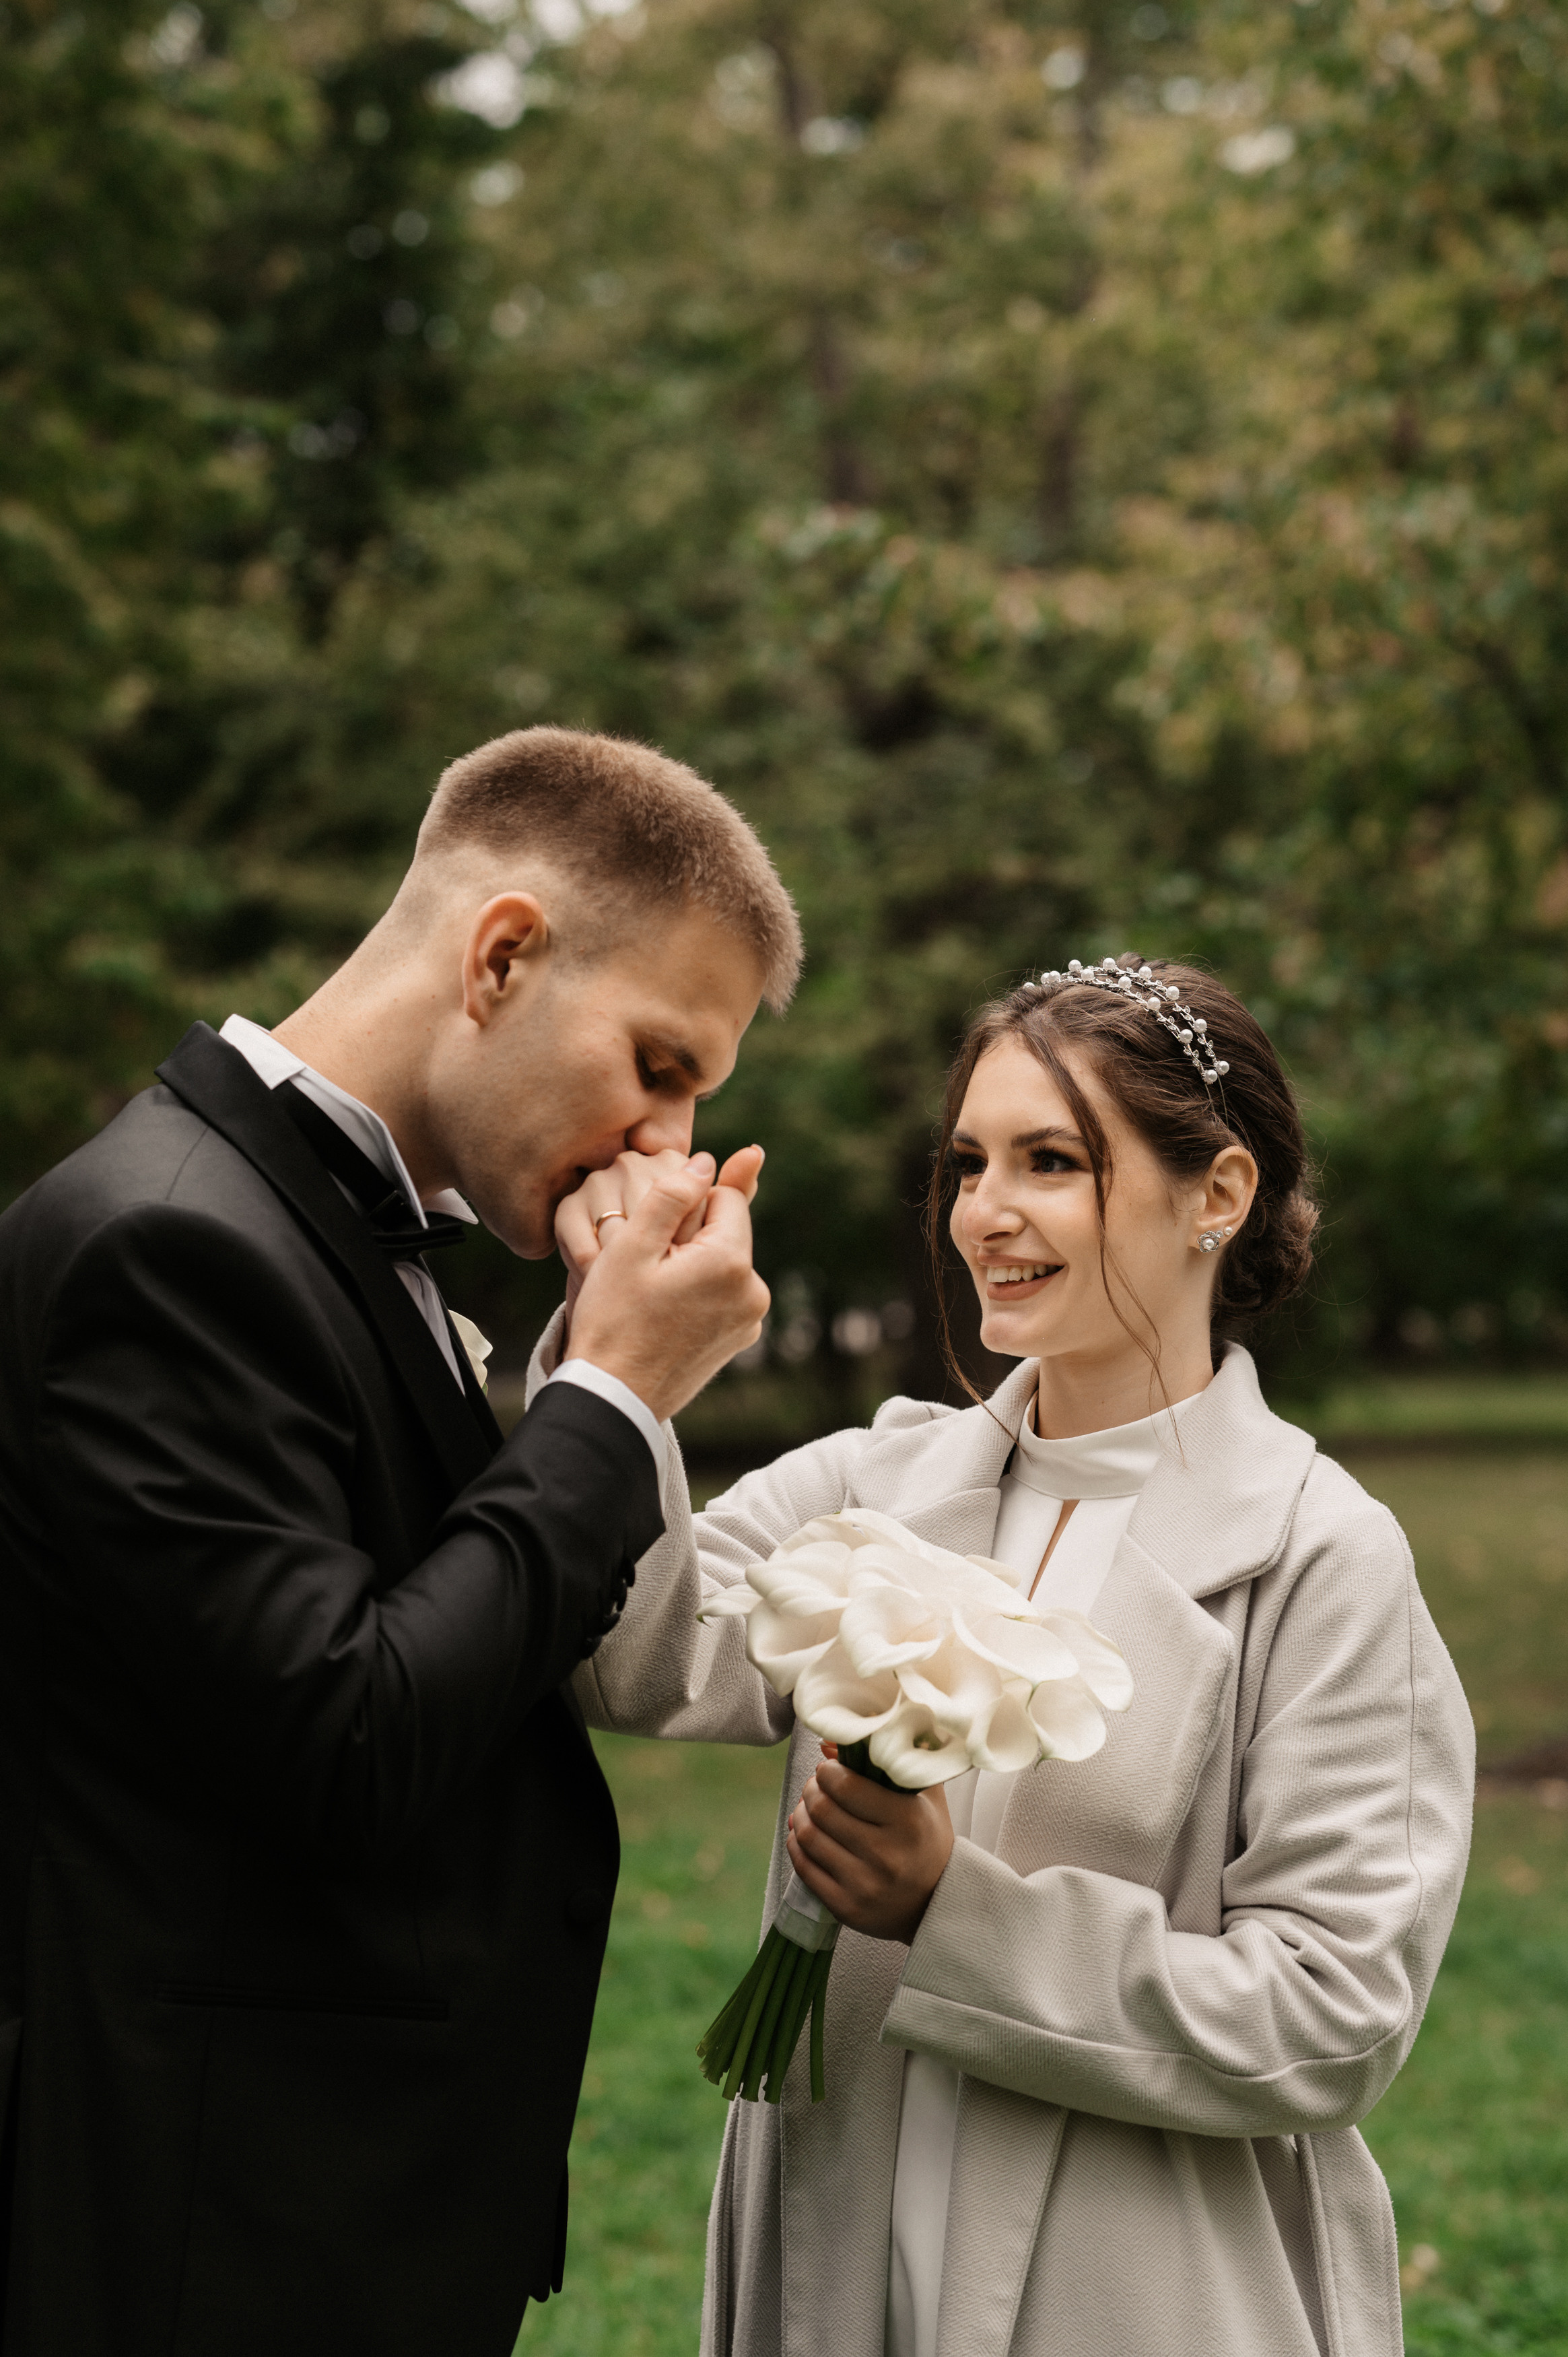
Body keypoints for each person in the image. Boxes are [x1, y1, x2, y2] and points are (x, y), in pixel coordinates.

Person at [0, 725, 800, 2357]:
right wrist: (616, 1395)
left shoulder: (322, 1234)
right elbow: (353, 1733)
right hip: (202, 2237)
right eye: (659, 1063)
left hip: (326, 2218)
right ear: (502, 953)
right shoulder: (165, 1241)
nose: (668, 1141)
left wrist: (583, 1377)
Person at [547, 952, 1475, 2357]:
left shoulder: (1318, 1557)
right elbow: (634, 1651)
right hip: (843, 2230)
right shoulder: (878, 1475)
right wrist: (621, 1361)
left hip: (1141, 2280)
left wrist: (948, 1913)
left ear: (1216, 1195)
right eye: (968, 1162)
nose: (986, 1211)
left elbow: (1330, 2014)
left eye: (1052, 1160)